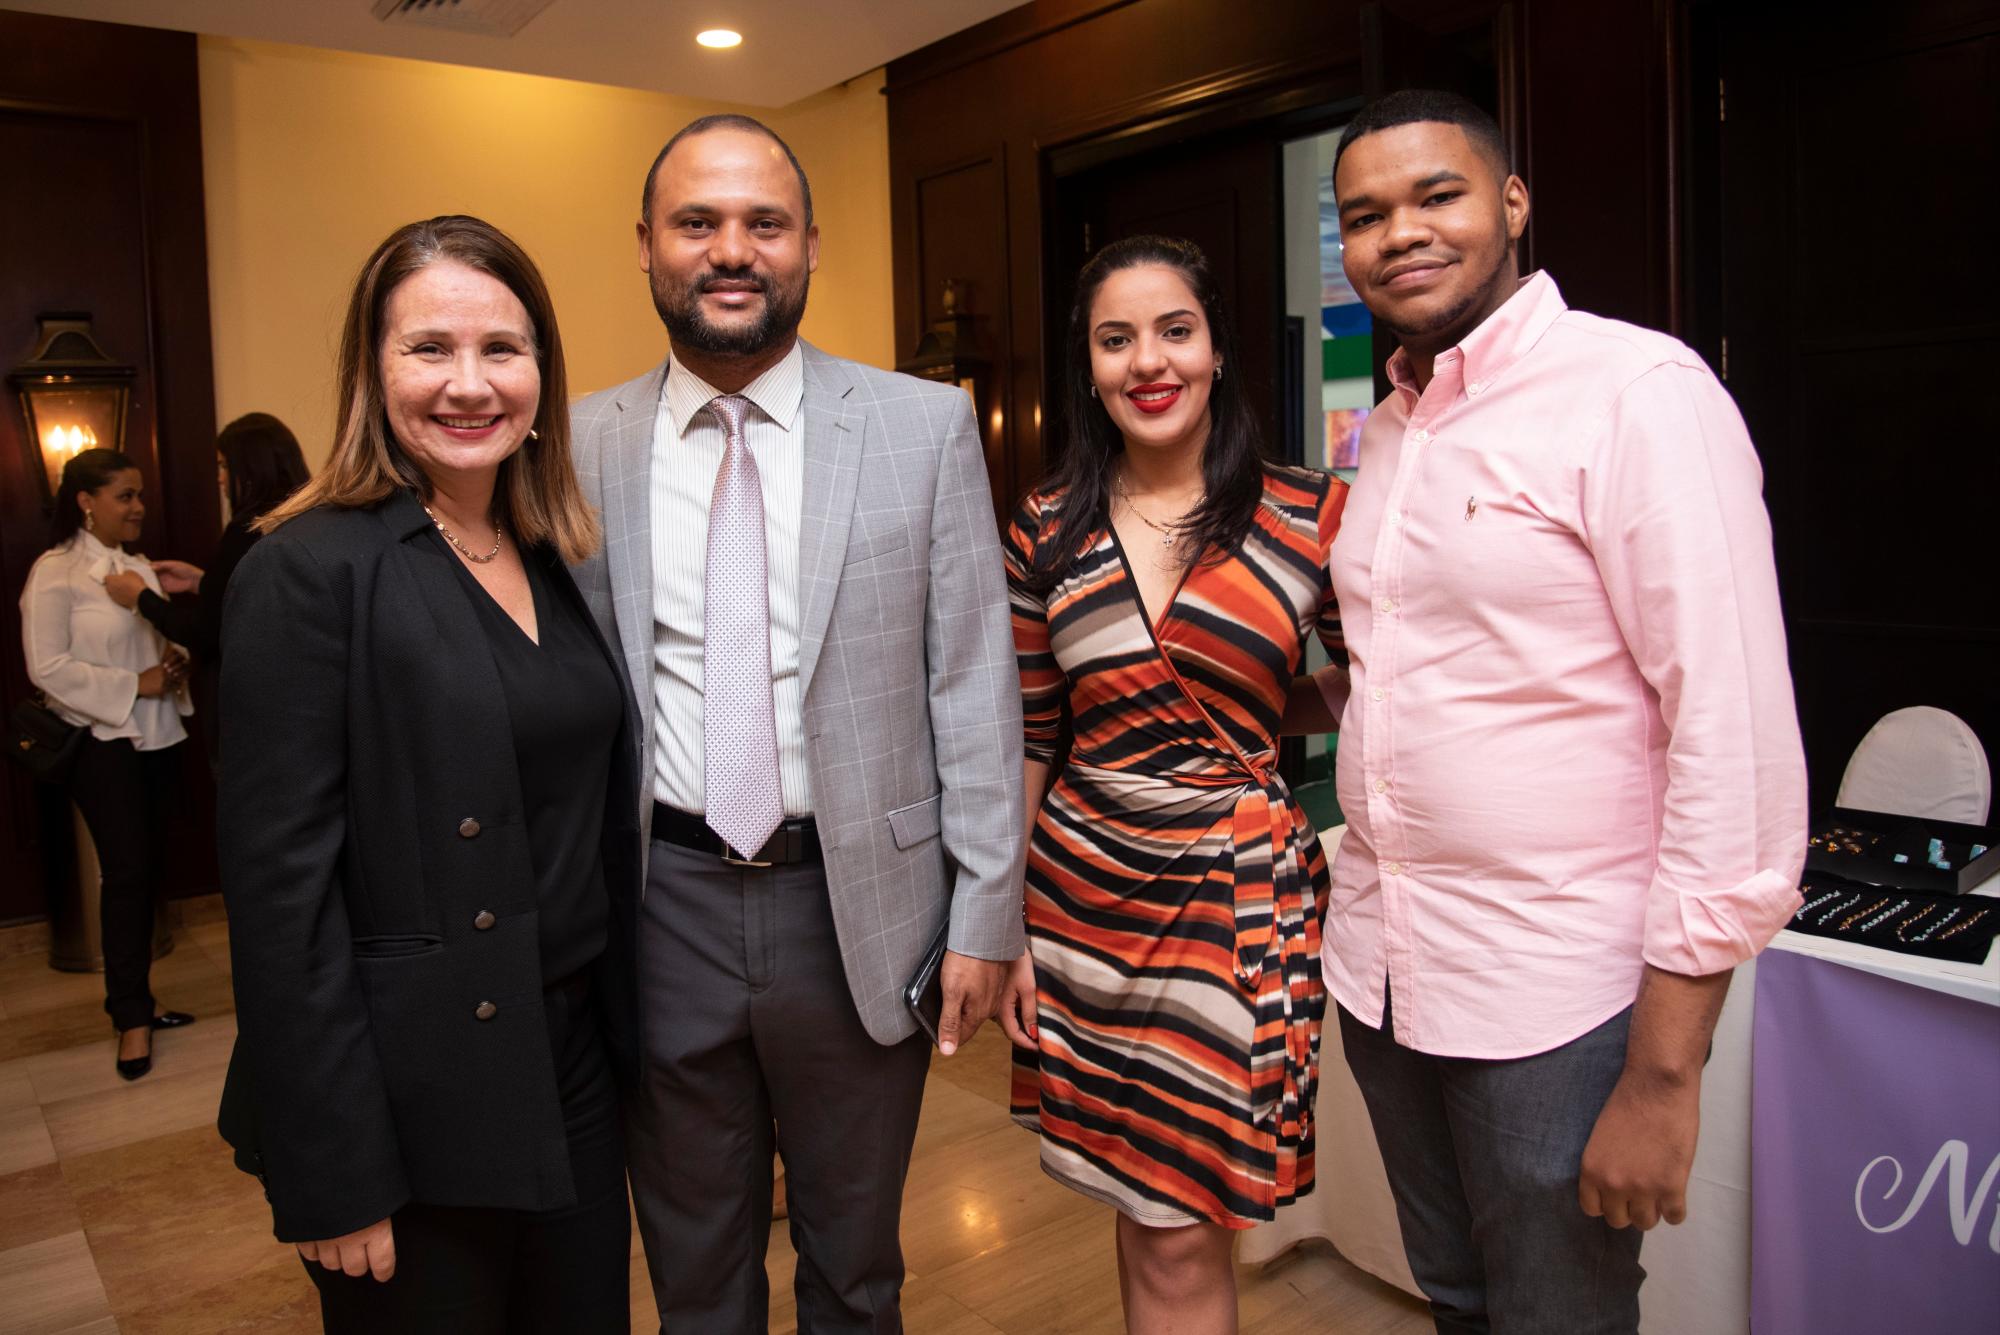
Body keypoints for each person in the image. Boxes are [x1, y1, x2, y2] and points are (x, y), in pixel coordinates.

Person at [1312, 89, 1806, 1332]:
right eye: (1364, 215)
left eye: (1437, 196)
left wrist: (1661, 1074)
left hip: (1558, 1000)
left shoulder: (1635, 391)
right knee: (1462, 1305)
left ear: (1511, 203)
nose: (1400, 235)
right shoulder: (1388, 428)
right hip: (1386, 975)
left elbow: (1729, 731)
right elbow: (1422, 672)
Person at [568, 114, 1024, 1332]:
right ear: (647, 248)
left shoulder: (921, 427)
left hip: (859, 908)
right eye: (698, 222)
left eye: (763, 223)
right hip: (657, 908)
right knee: (694, 1276)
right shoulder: (572, 445)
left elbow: (971, 679)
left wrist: (985, 913)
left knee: (855, 1270)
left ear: (809, 244)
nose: (732, 249)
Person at [216, 215, 641, 1333]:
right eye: (428, 350)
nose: (469, 384)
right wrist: (334, 1172)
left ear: (542, 374)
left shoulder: (550, 554)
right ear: (372, 370)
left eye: (501, 349)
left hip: (574, 1065)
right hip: (410, 1095)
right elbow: (279, 906)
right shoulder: (303, 571)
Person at [997, 234, 1347, 1332]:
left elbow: (1371, 690)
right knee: (1136, 1202)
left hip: (1226, 908)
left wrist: (1248, 725)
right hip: (1081, 905)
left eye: (1173, 331)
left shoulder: (1309, 516)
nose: (1147, 361)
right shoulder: (1043, 528)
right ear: (1088, 367)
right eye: (1115, 340)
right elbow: (1034, 735)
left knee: (1178, 1220)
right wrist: (1000, 927)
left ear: (1215, 350)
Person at [19, 449, 195, 1079]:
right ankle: (130, 1019)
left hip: (160, 738)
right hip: (102, 742)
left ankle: (142, 997)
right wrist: (135, 686)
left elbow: (156, 641)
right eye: (125, 495)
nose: (139, 507)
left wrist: (171, 667)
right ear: (86, 501)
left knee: (148, 872)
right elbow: (47, 668)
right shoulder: (55, 572)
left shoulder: (140, 567)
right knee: (125, 875)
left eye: (140, 494)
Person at [102, 412, 309, 764]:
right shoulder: (307, 518)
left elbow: (204, 631)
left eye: (224, 466)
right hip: (302, 703)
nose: (220, 479)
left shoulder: (249, 529)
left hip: (257, 711)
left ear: (250, 467)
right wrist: (204, 582)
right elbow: (268, 598)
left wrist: (141, 598)